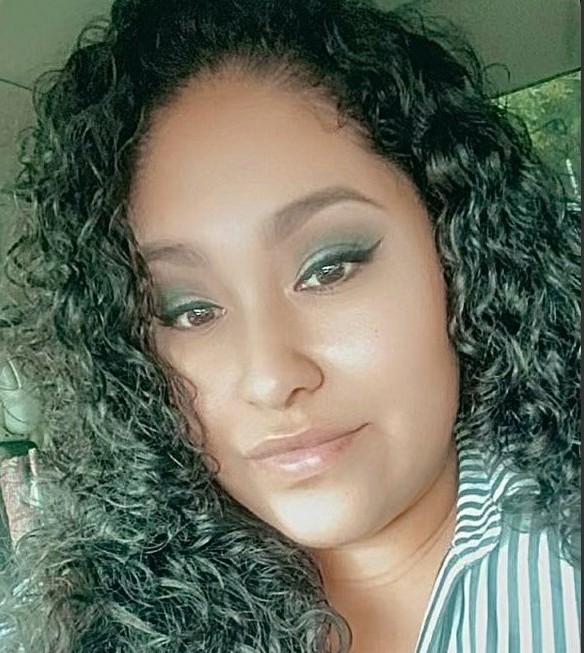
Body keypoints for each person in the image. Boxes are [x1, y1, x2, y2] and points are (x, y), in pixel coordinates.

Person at [0, 1, 580, 651]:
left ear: (457, 253)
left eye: (329, 269)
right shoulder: (123, 624)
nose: (271, 378)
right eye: (189, 311)